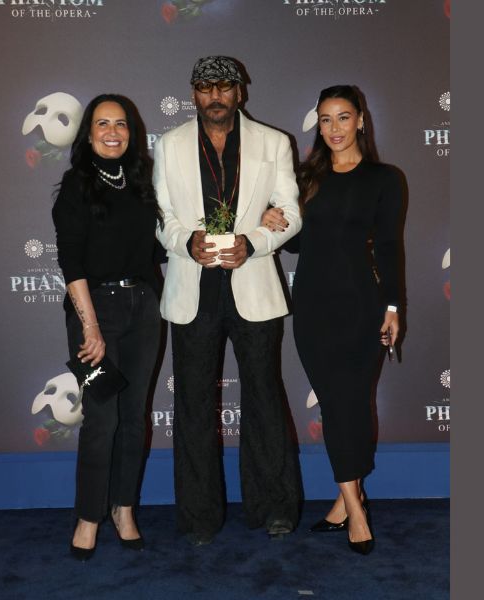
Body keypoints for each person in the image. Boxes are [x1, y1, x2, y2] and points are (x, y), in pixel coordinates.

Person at [153, 56, 304, 545]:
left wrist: (254, 243)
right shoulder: (169, 145)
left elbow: (291, 212)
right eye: (205, 87)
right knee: (193, 403)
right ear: (193, 94)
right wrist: (185, 242)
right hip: (192, 286)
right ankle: (199, 517)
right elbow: (161, 215)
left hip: (252, 283)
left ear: (241, 92)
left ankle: (274, 507)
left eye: (224, 86)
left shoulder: (274, 142)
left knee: (264, 397)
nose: (215, 95)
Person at [263, 84, 404, 555]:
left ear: (360, 119)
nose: (335, 128)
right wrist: (275, 222)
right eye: (325, 119)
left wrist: (393, 306)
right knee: (336, 404)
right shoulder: (306, 178)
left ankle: (346, 503)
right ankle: (356, 508)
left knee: (355, 404)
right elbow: (298, 243)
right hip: (314, 307)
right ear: (318, 125)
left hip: (362, 305)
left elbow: (389, 246)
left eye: (343, 117)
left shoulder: (385, 179)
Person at [51, 93, 163, 560]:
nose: (112, 132)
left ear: (130, 133)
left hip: (144, 310)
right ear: (89, 132)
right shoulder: (76, 185)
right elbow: (71, 262)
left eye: (120, 124)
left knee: (134, 417)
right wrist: (91, 329)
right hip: (94, 312)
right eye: (103, 124)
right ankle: (88, 516)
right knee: (102, 418)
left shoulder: (141, 183)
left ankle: (123, 508)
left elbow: (166, 241)